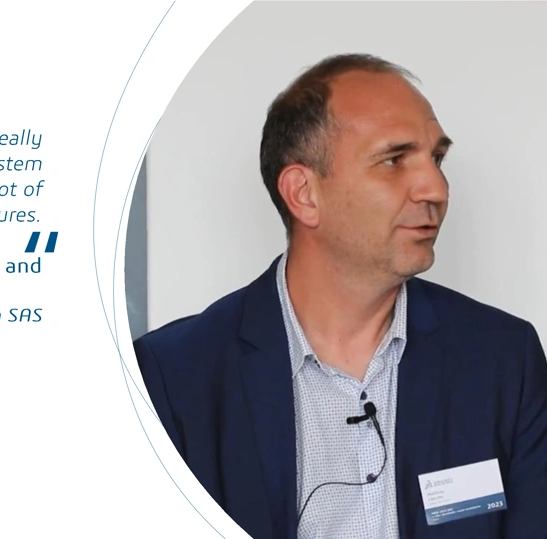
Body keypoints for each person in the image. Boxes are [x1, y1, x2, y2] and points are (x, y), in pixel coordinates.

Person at [133, 54, 547, 539]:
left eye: (436, 159)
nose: (435, 188)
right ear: (303, 194)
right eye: (394, 160)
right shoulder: (172, 376)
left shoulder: (503, 358)